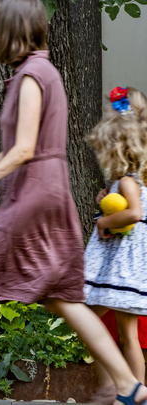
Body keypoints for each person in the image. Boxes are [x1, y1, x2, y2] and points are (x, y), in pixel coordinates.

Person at [0, 2, 147, 405]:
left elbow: (22, 151)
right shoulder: (34, 72)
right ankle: (128, 384)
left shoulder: (33, 75)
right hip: (45, 193)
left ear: (15, 27)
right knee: (60, 294)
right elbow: (14, 149)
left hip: (32, 196)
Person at [84, 87, 147, 405]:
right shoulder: (128, 178)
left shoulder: (127, 180)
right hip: (125, 270)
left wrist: (102, 222)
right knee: (127, 336)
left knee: (85, 317)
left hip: (121, 270)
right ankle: (132, 391)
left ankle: (116, 387)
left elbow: (134, 213)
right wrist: (105, 205)